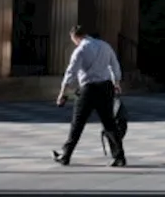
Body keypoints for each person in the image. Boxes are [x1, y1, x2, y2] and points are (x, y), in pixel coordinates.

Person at [52, 25, 126, 167]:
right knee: (109, 123)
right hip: (105, 87)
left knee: (77, 124)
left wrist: (62, 93)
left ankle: (66, 155)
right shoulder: (105, 46)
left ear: (75, 37)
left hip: (89, 89)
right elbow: (114, 65)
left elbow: (70, 73)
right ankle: (119, 156)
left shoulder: (80, 50)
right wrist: (116, 82)